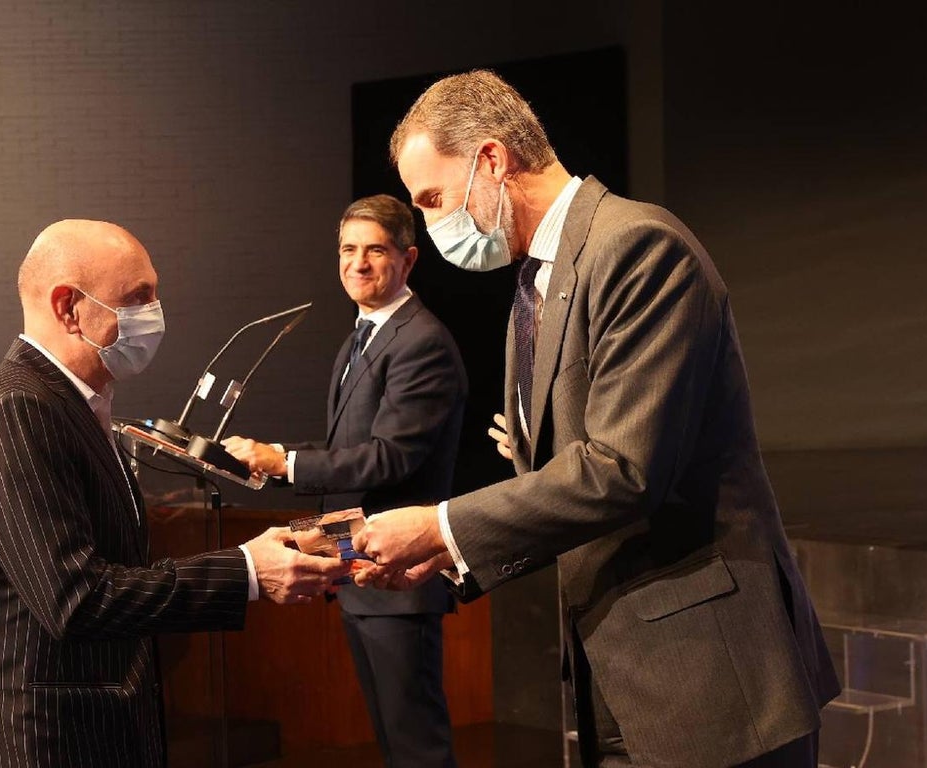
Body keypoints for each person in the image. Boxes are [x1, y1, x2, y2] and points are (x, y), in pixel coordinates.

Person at [351, 70, 840, 768]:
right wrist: (449, 553)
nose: (432, 226)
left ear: (492, 160)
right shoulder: (537, 278)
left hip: (712, 686)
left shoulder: (637, 246)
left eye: (432, 199)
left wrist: (442, 524)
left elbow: (621, 469)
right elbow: (565, 479)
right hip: (625, 671)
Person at [0, 219, 350, 768]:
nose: (154, 316)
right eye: (137, 299)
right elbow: (77, 600)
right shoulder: (17, 411)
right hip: (40, 742)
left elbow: (114, 564)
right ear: (68, 307)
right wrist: (247, 572)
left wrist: (263, 554)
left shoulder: (73, 405)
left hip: (92, 731)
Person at [222, 194, 467, 767]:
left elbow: (389, 460)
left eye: (375, 250)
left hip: (399, 578)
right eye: (348, 249)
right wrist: (278, 459)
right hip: (360, 573)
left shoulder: (419, 341)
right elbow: (346, 452)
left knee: (418, 750)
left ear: (408, 260)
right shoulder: (362, 335)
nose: (357, 263)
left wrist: (284, 464)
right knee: (394, 745)